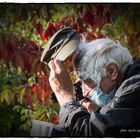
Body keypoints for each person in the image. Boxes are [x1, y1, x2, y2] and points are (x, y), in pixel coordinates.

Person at [48, 38, 140, 137]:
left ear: (111, 71)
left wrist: (65, 97)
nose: (84, 93)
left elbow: (96, 133)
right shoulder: (133, 84)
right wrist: (99, 111)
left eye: (87, 82)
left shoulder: (134, 89)